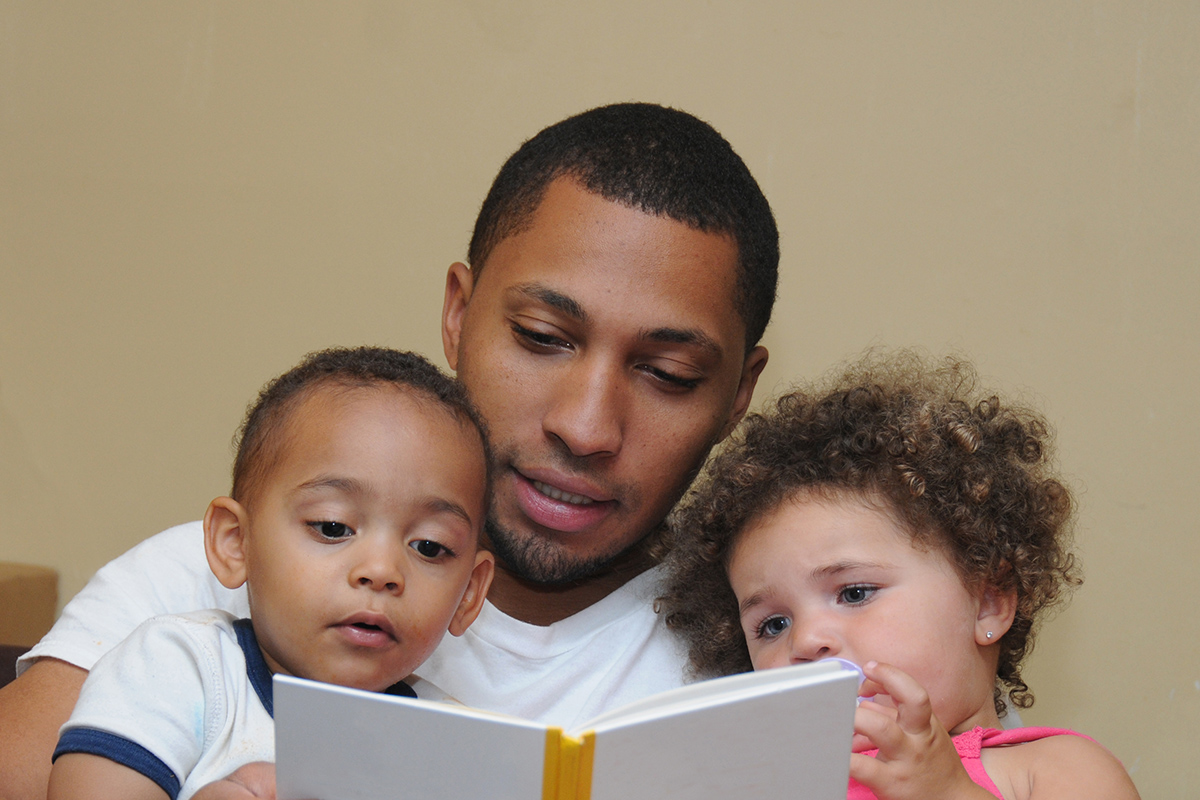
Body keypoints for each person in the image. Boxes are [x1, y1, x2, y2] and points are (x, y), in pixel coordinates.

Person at [0, 102, 778, 800]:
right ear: (459, 314)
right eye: (542, 338)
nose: (585, 427)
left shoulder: (766, 647)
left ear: (738, 394)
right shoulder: (203, 588)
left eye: (667, 374)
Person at [660, 352, 1140, 800]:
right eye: (773, 625)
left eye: (854, 592)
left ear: (988, 601)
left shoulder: (1052, 769)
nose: (806, 640)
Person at [46, 347, 495, 800]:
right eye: (333, 527)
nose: (381, 572)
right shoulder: (179, 669)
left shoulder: (452, 746)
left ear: (470, 593)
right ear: (236, 542)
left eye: (430, 547)